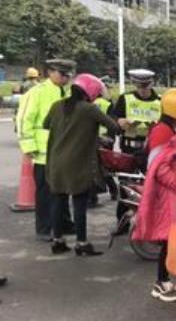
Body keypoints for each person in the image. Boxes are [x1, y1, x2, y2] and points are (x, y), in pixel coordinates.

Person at [44, 74, 125, 256]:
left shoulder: (57, 105)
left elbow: (47, 124)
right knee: (79, 204)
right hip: (77, 165)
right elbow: (114, 127)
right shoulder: (90, 109)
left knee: (58, 201)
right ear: (90, 92)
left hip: (56, 162)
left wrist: (92, 136)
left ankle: (57, 241)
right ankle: (81, 243)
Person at [133, 89, 176, 302]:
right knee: (168, 239)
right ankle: (161, 283)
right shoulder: (163, 131)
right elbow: (159, 168)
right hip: (168, 194)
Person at [16, 59, 76, 241]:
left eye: (68, 75)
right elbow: (24, 120)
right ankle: (44, 228)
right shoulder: (37, 93)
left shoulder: (69, 93)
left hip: (65, 151)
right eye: (62, 74)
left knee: (64, 190)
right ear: (50, 72)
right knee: (45, 193)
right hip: (43, 153)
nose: (65, 78)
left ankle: (64, 223)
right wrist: (29, 147)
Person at [109, 69, 161, 159]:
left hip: (152, 149)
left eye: (145, 86)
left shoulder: (160, 101)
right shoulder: (125, 98)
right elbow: (113, 117)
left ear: (152, 83)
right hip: (129, 149)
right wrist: (119, 121)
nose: (141, 90)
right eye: (138, 86)